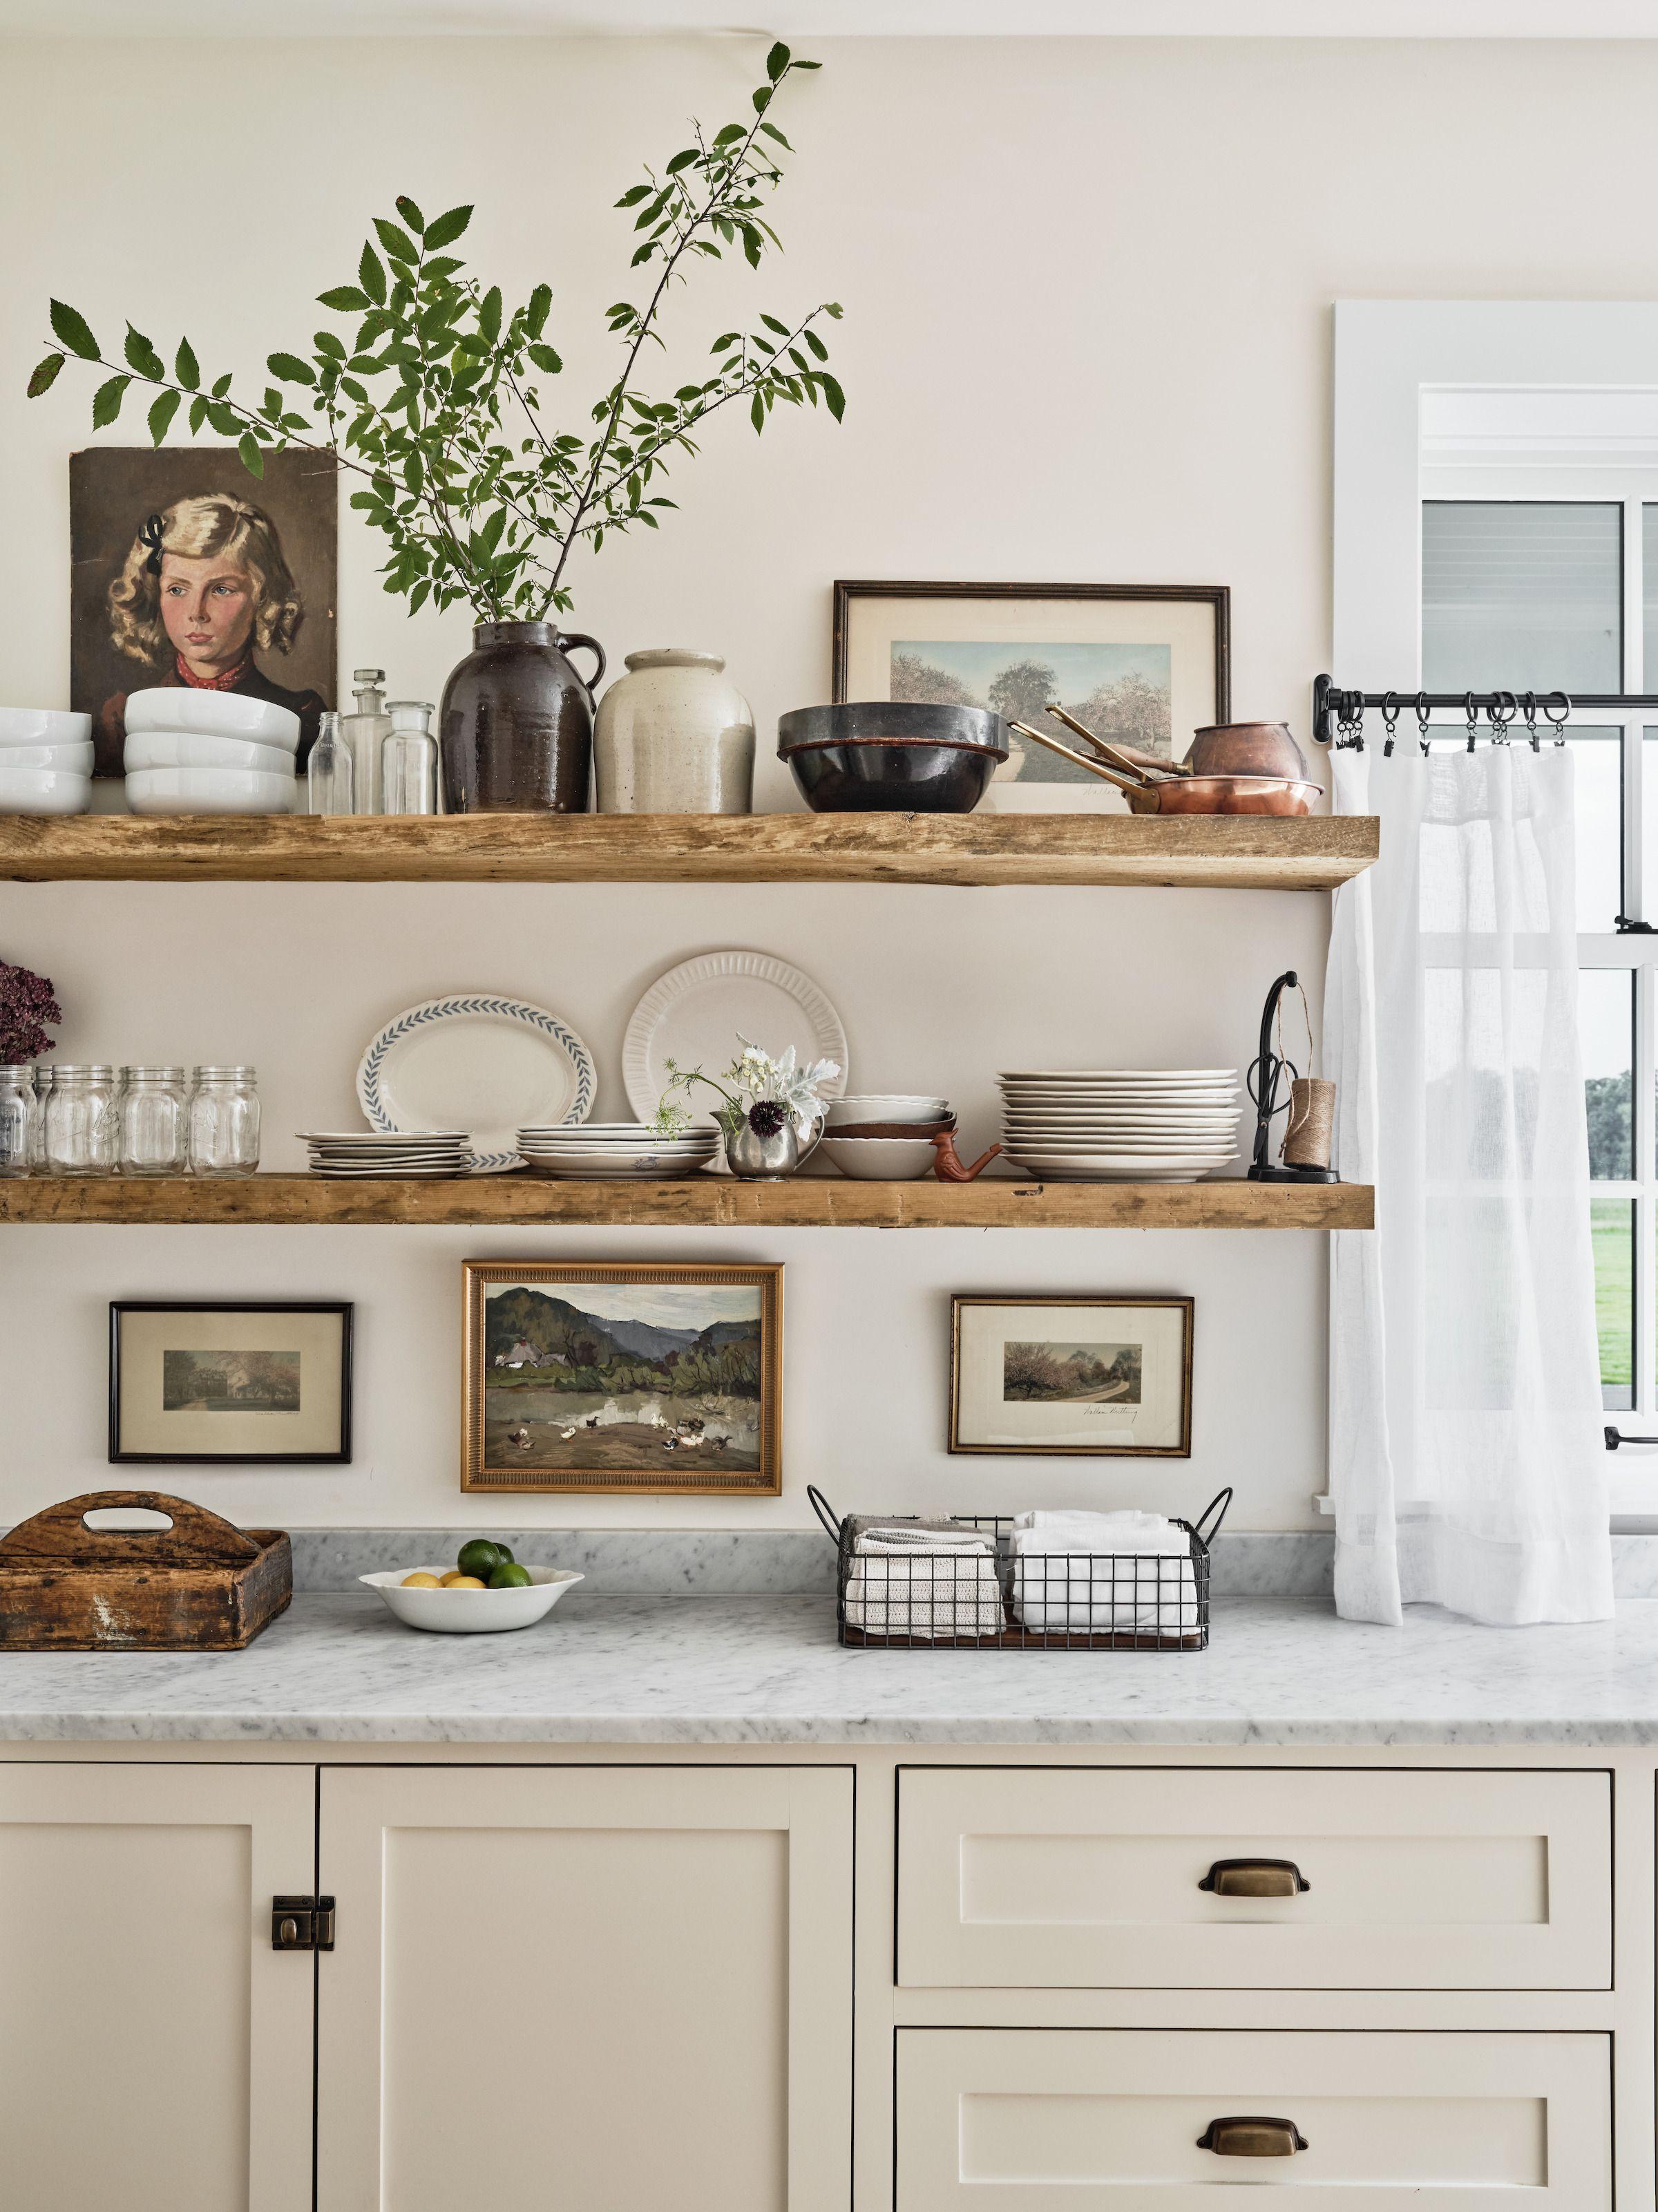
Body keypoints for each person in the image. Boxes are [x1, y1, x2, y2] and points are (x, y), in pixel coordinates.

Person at [94, 493, 327, 776]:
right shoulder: (124, 717)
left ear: (261, 598)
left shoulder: (300, 714)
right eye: (177, 590)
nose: (197, 612)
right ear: (156, 596)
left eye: (221, 589)